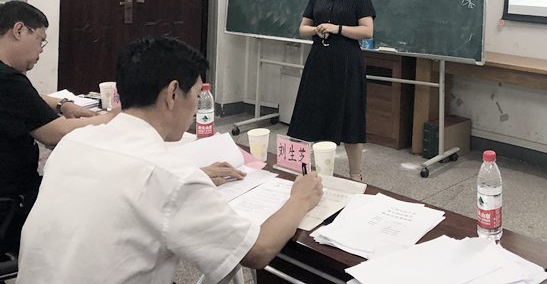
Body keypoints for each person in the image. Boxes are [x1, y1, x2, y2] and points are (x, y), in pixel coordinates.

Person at [17, 35, 323, 284]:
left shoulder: (75, 142)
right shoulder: (171, 177)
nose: (196, 109)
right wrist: (300, 198)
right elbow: (257, 251)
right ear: (173, 93)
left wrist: (191, 176)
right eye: (197, 95)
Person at [0, 0, 118, 255]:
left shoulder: (8, 79)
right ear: (19, 30)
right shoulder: (8, 80)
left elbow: (28, 98)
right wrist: (116, 116)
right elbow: (56, 134)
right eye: (40, 40)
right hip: (12, 202)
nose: (41, 51)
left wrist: (62, 103)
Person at [287, 0, 375, 182]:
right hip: (319, 61)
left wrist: (337, 29)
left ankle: (355, 175)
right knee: (315, 113)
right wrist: (316, 30)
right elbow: (303, 29)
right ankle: (314, 172)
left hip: (347, 62)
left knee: (351, 116)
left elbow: (367, 31)